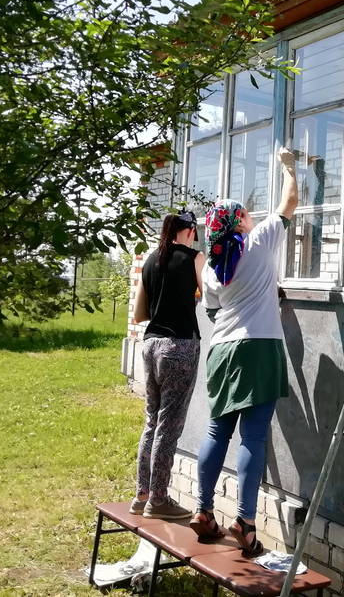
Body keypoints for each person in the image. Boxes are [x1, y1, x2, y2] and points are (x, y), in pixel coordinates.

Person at [189, 148, 298, 555]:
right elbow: (289, 203)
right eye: (246, 212)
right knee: (253, 435)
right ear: (239, 221)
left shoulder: (212, 267)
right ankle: (246, 522)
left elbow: (213, 310)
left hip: (222, 351)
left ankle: (202, 510)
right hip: (259, 347)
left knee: (218, 431)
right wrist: (288, 167)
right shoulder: (258, 241)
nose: (252, 215)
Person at [130, 210, 205, 519]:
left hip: (150, 345)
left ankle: (142, 493)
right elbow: (211, 296)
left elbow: (139, 312)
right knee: (169, 426)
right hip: (179, 346)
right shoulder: (194, 258)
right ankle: (159, 499)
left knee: (152, 421)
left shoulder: (151, 259)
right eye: (195, 231)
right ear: (188, 232)